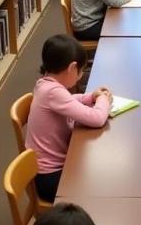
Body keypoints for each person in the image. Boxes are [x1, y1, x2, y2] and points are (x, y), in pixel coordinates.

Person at [25, 34, 112, 202]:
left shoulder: (45, 84)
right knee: (100, 179)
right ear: (72, 68)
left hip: (46, 170)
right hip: (51, 178)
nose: (80, 76)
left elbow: (69, 100)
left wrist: (90, 97)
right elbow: (97, 119)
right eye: (81, 72)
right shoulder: (53, 92)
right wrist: (103, 100)